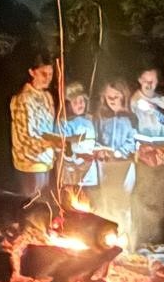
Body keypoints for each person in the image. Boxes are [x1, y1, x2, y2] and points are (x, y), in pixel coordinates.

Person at [129, 66, 164, 249]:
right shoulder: (136, 100)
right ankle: (144, 236)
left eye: (153, 81)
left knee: (161, 194)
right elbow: (139, 109)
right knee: (144, 192)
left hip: (163, 153)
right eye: (146, 80)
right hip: (145, 155)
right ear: (140, 80)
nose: (149, 85)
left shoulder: (161, 99)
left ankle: (158, 237)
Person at [9, 53, 62, 196]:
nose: (47, 78)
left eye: (50, 74)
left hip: (47, 163)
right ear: (32, 72)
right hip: (29, 165)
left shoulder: (47, 97)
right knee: (33, 210)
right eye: (43, 73)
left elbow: (49, 128)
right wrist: (51, 143)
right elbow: (25, 136)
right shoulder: (23, 99)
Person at [93, 80, 136, 234]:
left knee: (123, 202)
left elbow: (132, 141)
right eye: (108, 97)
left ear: (123, 96)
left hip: (124, 165)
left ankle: (125, 236)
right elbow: (95, 139)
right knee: (107, 199)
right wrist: (100, 151)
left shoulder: (130, 117)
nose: (112, 100)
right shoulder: (100, 116)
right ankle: (108, 236)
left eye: (116, 96)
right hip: (105, 166)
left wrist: (118, 152)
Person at [60, 82, 99, 200]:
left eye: (81, 101)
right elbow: (64, 147)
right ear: (69, 105)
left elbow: (93, 141)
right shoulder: (65, 122)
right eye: (75, 102)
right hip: (72, 171)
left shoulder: (90, 119)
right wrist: (78, 157)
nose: (79, 104)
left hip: (89, 171)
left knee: (88, 201)